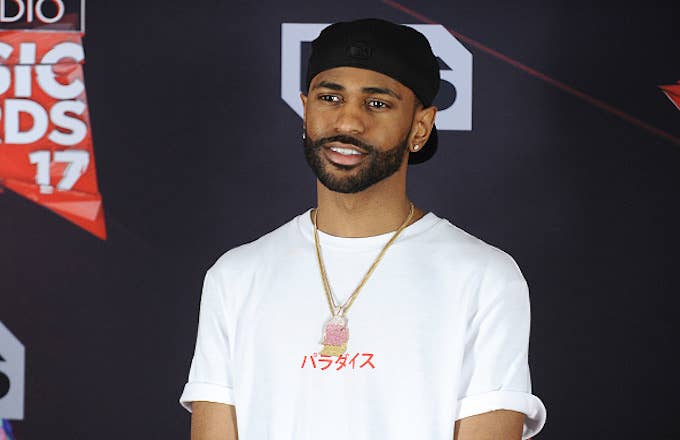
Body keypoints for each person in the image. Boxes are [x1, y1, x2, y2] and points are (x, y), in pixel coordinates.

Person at [180, 17, 546, 440]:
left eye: (377, 104)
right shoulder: (235, 276)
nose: (349, 123)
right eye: (330, 97)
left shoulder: (485, 278)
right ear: (305, 110)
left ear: (420, 127)